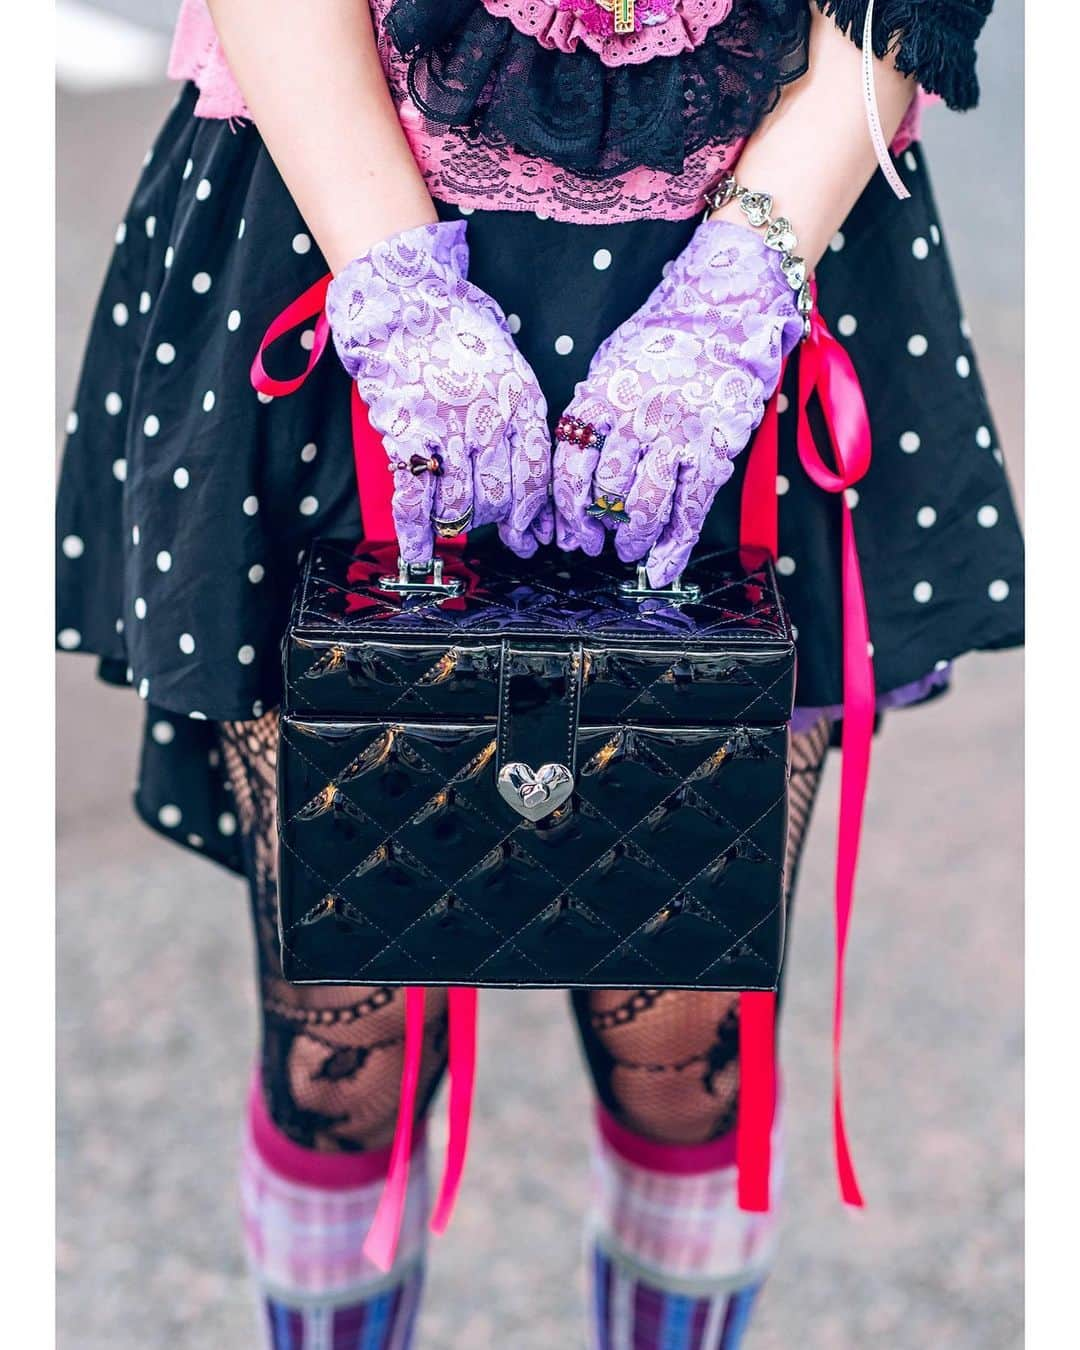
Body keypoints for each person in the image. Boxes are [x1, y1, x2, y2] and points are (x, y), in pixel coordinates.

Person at [56, 0, 1023, 1344]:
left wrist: (741, 280)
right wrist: (394, 285)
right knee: (348, 1042)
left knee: (685, 1047)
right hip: (342, 203)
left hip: (757, 224)